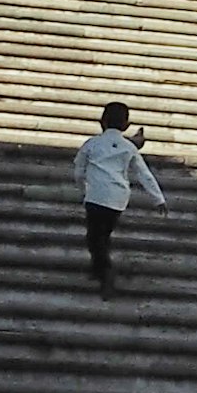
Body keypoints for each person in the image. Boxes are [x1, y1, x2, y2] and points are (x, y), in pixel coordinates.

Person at [71, 102, 165, 293]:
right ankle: (98, 269)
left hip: (96, 196)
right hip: (118, 198)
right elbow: (144, 174)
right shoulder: (128, 147)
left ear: (101, 121)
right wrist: (158, 198)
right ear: (126, 126)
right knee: (104, 235)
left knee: (94, 236)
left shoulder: (92, 144)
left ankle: (105, 272)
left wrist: (83, 190)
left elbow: (79, 171)